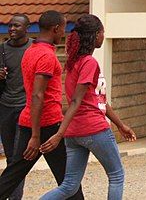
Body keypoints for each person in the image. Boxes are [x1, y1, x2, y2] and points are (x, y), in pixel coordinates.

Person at [39, 14, 136, 199]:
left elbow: (98, 99)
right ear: (95, 35)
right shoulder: (89, 62)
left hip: (74, 134)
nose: (104, 36)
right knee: (116, 175)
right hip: (93, 128)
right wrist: (58, 134)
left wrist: (120, 125)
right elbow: (75, 101)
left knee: (69, 186)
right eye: (102, 32)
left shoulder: (73, 62)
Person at [0, 11, 84, 199]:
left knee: (13, 174)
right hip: (46, 126)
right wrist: (36, 136)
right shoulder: (46, 56)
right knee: (68, 179)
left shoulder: (31, 51)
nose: (63, 32)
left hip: (30, 121)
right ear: (56, 28)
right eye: (63, 28)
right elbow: (38, 95)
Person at [0, 14, 32, 200]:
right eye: (10, 26)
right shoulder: (2, 49)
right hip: (5, 107)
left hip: (25, 108)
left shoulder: (33, 48)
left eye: (17, 26)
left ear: (27, 28)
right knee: (11, 157)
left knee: (19, 158)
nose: (12, 29)